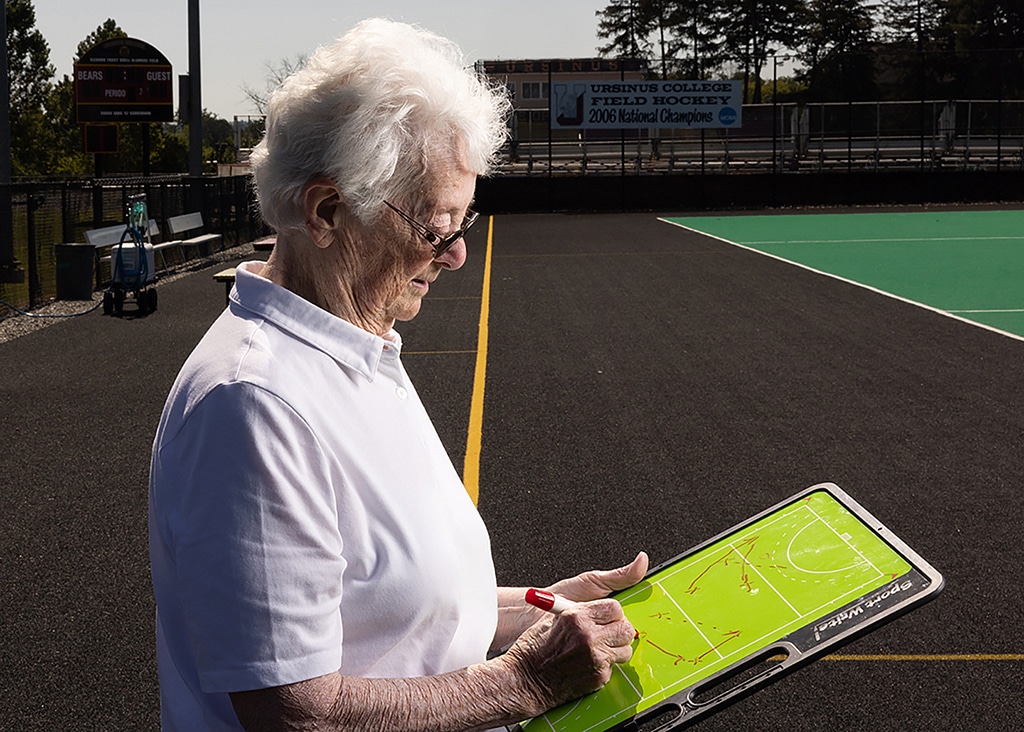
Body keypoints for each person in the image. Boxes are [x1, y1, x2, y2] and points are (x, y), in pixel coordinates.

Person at [149, 18, 648, 732]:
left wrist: (540, 608)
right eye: (434, 227)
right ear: (326, 211)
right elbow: (296, 713)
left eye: (462, 221)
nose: (455, 255)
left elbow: (390, 613)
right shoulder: (254, 405)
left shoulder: (354, 342)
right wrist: (526, 681)